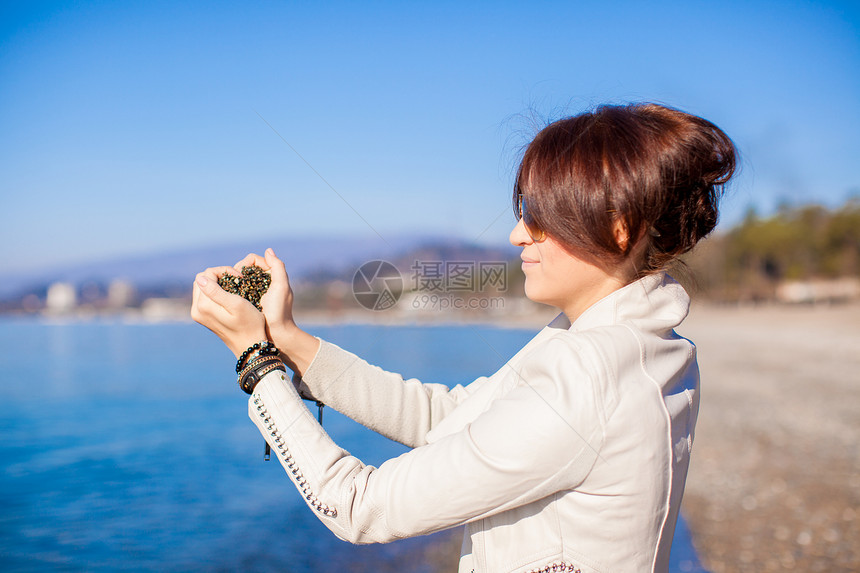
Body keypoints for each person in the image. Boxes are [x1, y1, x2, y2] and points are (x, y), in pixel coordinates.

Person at [191, 102, 736, 573]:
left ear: (619, 226)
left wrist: (256, 363)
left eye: (542, 219)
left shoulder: (591, 373)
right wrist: (287, 338)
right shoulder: (633, 342)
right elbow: (444, 421)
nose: (517, 233)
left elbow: (357, 506)